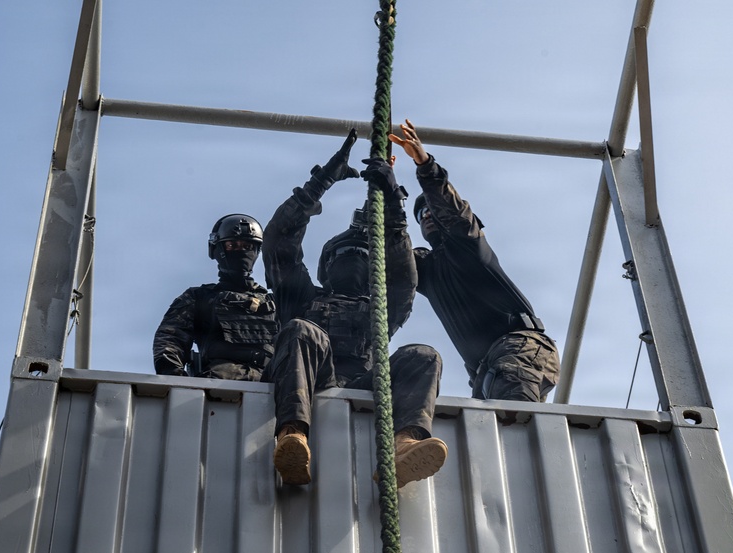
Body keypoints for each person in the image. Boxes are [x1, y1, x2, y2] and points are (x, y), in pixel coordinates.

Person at [262, 130, 448, 487]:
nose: (354, 259)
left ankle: (404, 444)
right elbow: (278, 242)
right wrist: (321, 181)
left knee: (424, 355)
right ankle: (293, 436)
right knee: (303, 329)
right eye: (345, 253)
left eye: (362, 254)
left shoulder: (382, 307)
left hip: (366, 385)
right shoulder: (302, 296)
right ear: (326, 265)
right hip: (311, 382)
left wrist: (393, 203)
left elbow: (403, 276)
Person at [389, 119, 561, 402]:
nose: (427, 215)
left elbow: (453, 211)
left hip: (518, 347)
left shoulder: (467, 242)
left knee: (511, 422)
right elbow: (391, 251)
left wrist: (424, 165)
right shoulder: (427, 270)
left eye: (430, 209)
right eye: (420, 215)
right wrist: (387, 191)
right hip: (485, 370)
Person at [153, 213, 278, 380]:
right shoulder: (199, 298)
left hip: (273, 383)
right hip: (220, 382)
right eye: (232, 245)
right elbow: (170, 339)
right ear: (217, 250)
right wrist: (176, 380)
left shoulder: (274, 303)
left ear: (255, 251)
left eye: (247, 246)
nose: (240, 250)